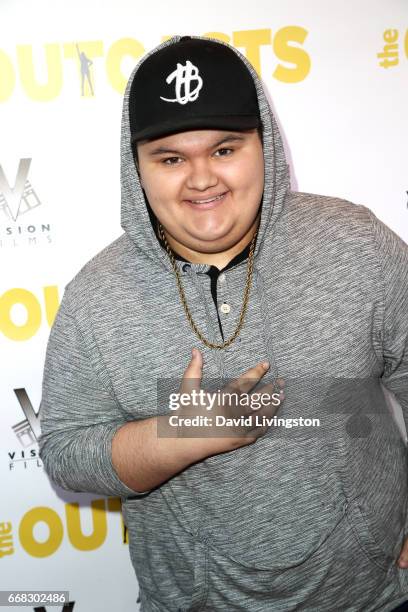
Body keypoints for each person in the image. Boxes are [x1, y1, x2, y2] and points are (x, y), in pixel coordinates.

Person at [39, 34, 408, 611]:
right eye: (170, 159)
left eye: (225, 149)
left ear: (264, 144)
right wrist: (177, 436)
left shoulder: (356, 244)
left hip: (375, 595)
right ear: (135, 168)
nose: (201, 179)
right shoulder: (96, 297)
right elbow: (66, 451)